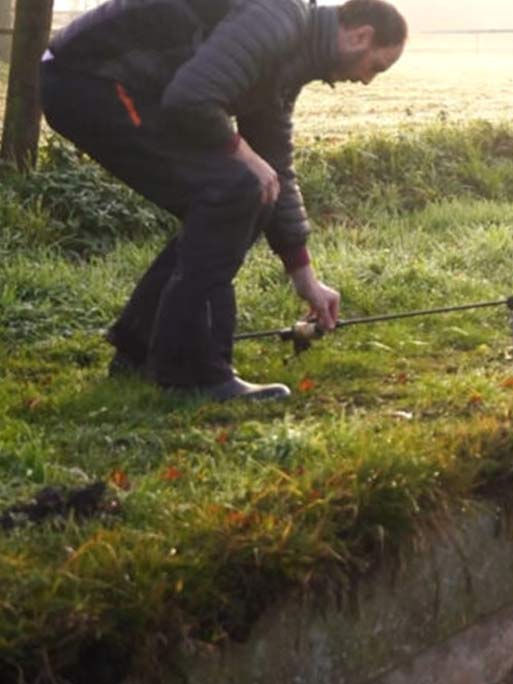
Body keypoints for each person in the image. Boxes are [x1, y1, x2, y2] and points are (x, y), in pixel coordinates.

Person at [39, 0, 407, 401]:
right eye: (376, 67)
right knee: (234, 190)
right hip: (88, 77)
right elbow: (192, 97)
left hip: (108, 83)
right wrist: (243, 154)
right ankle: (191, 372)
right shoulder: (279, 16)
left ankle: (140, 348)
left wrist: (306, 279)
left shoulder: (289, 61)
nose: (367, 81)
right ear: (361, 36)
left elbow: (275, 169)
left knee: (251, 190)